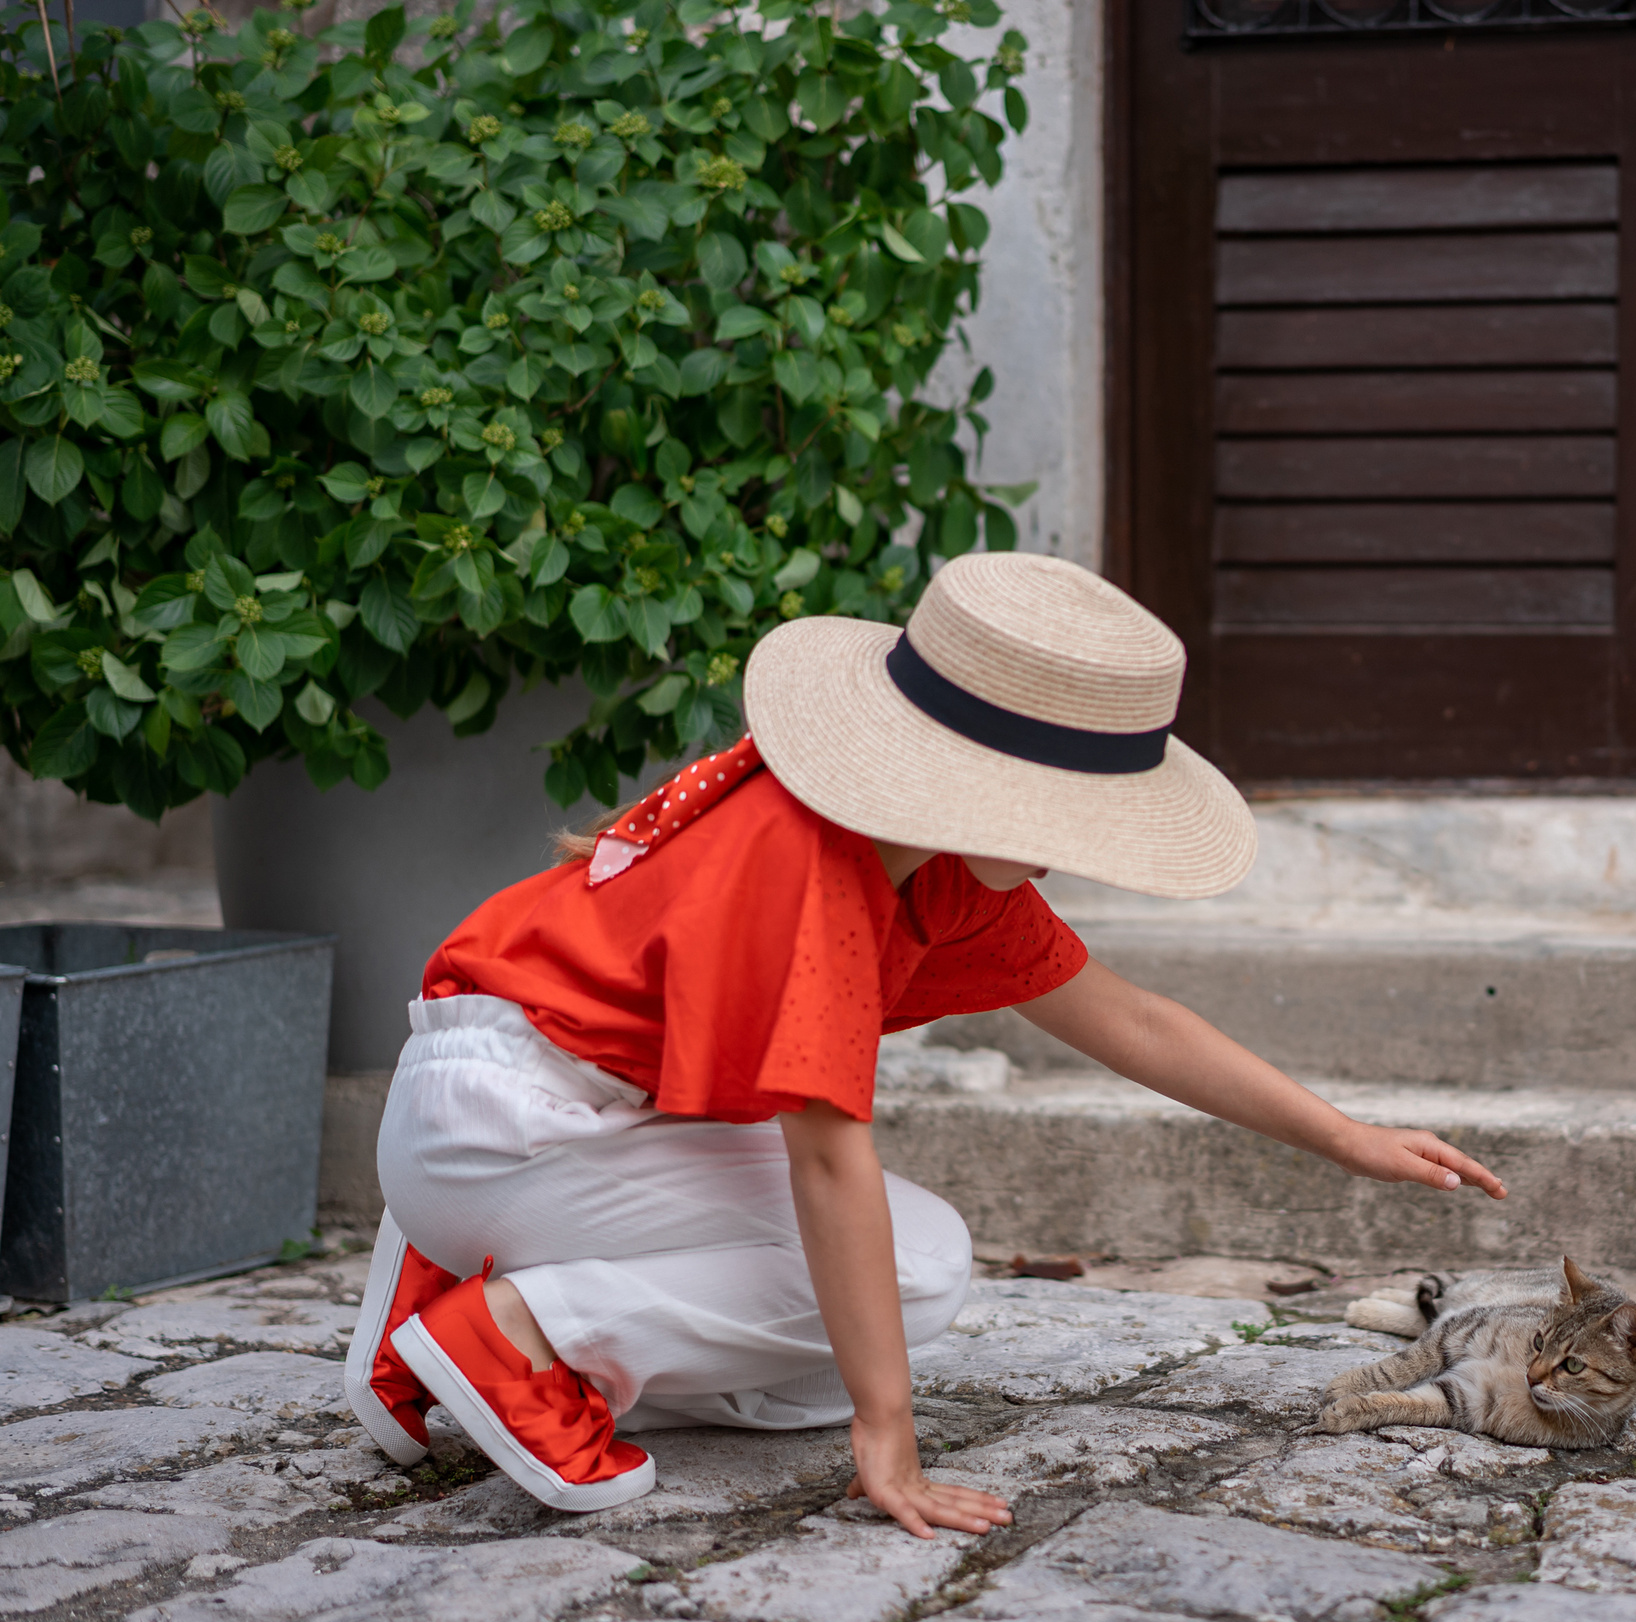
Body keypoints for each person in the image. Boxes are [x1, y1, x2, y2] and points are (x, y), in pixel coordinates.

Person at [339, 553, 1509, 1537]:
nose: (1075, 850)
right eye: (1069, 815)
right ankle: (512, 1330)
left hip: (531, 1109)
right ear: (976, 785)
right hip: (517, 1129)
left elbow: (1132, 1018)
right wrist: (887, 1431)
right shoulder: (816, 872)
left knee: (824, 1359)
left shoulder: (937, 870)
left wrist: (1341, 1136)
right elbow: (827, 1160)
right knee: (912, 1273)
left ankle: (452, 1276)